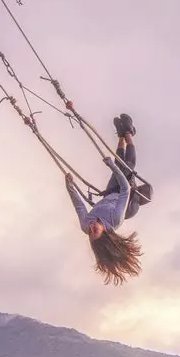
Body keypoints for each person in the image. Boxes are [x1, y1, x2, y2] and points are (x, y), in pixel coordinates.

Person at [65, 113, 149, 284]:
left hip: (111, 195)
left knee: (119, 166)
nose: (91, 228)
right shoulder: (115, 219)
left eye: (90, 232)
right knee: (128, 166)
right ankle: (129, 134)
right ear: (104, 233)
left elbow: (79, 206)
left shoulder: (85, 225)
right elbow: (125, 188)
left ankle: (120, 135)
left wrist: (70, 186)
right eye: (95, 231)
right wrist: (110, 164)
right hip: (127, 202)